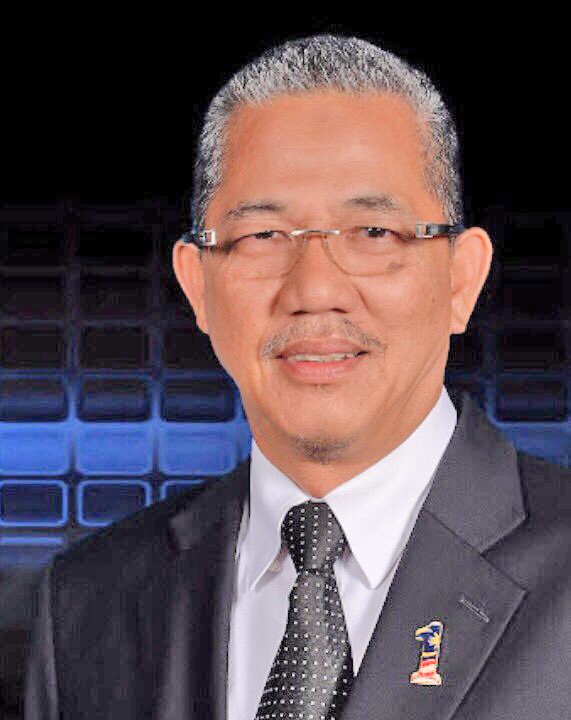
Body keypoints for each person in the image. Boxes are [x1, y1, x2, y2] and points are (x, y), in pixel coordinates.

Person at [24, 33, 570, 720]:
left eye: (372, 233)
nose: (314, 290)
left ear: (462, 279)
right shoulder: (86, 603)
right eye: (263, 237)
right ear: (197, 285)